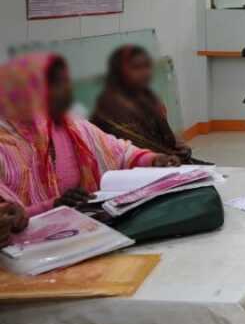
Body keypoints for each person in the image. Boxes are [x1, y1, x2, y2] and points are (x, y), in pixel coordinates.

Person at [0, 54, 180, 218]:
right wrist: (52, 206)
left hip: (88, 226)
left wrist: (154, 159)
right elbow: (7, 218)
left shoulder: (72, 127)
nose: (65, 90)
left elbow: (120, 152)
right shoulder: (5, 145)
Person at [92, 45, 208, 165]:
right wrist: (162, 158)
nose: (145, 72)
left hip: (169, 161)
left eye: (147, 66)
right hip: (141, 168)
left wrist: (181, 147)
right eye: (136, 68)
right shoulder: (109, 108)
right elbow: (126, 152)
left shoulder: (149, 98)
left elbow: (166, 137)